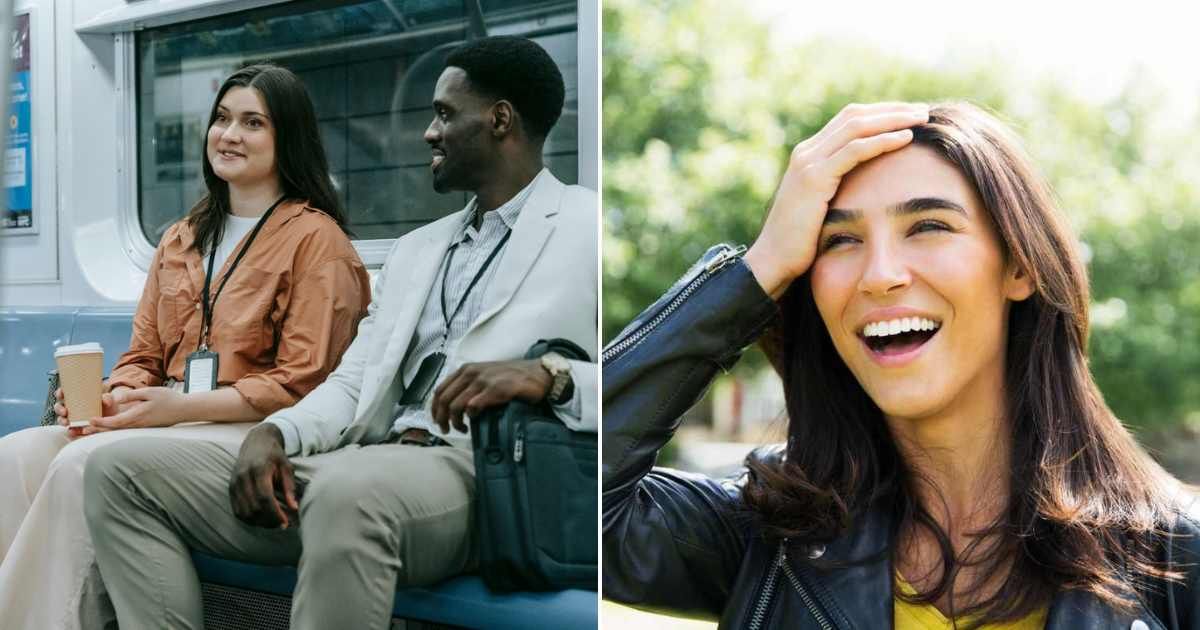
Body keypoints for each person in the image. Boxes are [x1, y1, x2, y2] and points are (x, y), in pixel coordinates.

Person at [602, 102, 1200, 628]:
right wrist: (753, 273)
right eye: (839, 241)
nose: (881, 273)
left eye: (929, 226)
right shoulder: (769, 538)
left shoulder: (1180, 556)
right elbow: (550, 501)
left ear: (1019, 267)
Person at [85, 35, 597, 630]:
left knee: (348, 495)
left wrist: (549, 377)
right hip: (366, 458)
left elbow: (625, 381)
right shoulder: (418, 250)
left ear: (500, 119)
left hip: (484, 475)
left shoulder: (584, 227)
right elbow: (356, 379)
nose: (429, 133)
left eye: (444, 114)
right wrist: (275, 434)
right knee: (119, 475)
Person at [0, 63, 371, 630]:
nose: (229, 134)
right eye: (222, 118)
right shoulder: (182, 236)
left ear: (287, 139)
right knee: (17, 454)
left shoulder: (317, 242)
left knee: (83, 464)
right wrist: (115, 395)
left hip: (253, 430)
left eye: (253, 123)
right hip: (171, 415)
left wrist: (176, 408)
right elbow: (144, 357)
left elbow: (303, 384)